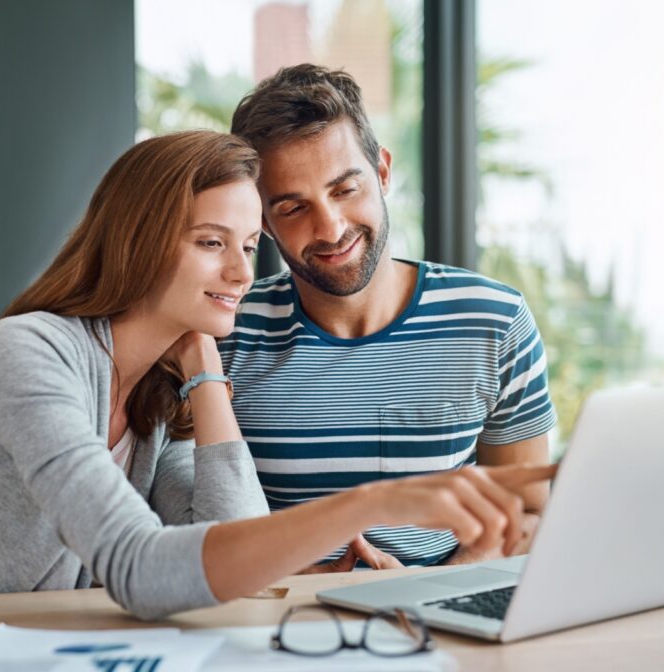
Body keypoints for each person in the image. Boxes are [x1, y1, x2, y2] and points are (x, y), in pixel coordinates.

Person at [0, 130, 555, 619]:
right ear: (135, 244)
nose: (241, 271)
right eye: (210, 242)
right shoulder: (28, 353)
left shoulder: (155, 401)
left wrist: (202, 364)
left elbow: (232, 551)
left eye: (250, 244)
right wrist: (372, 502)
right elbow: (139, 568)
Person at [223, 64, 557, 569]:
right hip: (277, 621)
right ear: (264, 222)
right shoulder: (227, 332)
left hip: (439, 621)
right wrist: (306, 582)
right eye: (293, 208)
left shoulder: (495, 320)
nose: (330, 228)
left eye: (345, 189)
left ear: (382, 171)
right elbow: (195, 526)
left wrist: (424, 594)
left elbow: (529, 512)